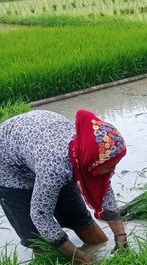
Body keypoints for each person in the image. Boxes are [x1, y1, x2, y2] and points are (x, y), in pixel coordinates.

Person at [0, 109, 128, 264]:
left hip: (39, 148)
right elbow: (40, 216)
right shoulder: (56, 167)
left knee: (82, 222)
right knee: (39, 240)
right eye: (109, 167)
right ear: (91, 160)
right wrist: (79, 256)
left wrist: (121, 237)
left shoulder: (87, 151)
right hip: (9, 169)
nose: (112, 171)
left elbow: (104, 189)